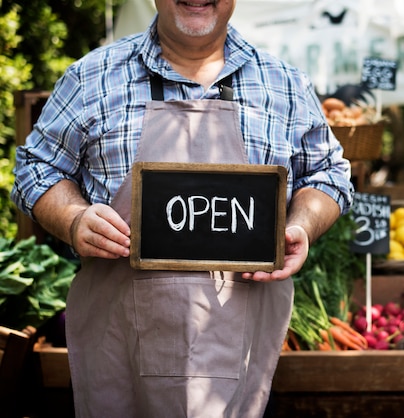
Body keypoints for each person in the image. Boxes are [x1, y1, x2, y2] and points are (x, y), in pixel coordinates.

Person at [11, 1, 353, 416]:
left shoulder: (284, 84)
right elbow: (36, 167)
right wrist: (72, 217)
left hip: (238, 361)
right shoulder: (92, 77)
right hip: (118, 351)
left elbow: (328, 174)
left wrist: (301, 224)